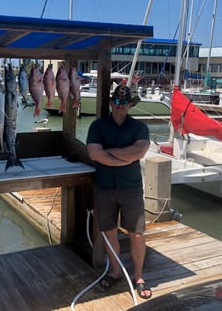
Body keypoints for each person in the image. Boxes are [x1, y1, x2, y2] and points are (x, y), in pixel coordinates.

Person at [86, 85, 152, 299]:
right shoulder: (97, 126)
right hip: (104, 187)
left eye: (124, 102)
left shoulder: (140, 127)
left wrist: (110, 153)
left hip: (131, 187)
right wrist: (125, 157)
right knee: (109, 232)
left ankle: (139, 276)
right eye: (116, 101)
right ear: (111, 103)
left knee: (137, 233)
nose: (119, 105)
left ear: (130, 105)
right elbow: (95, 154)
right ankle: (115, 271)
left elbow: (139, 151)